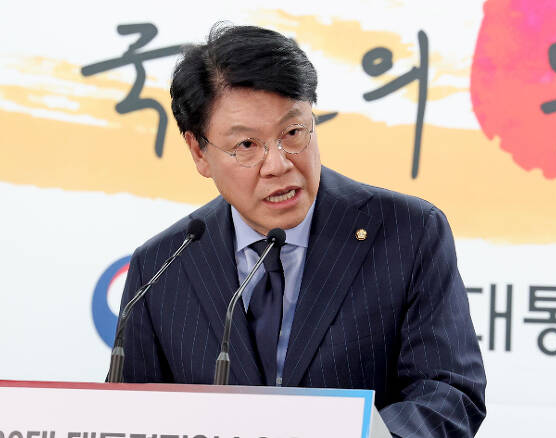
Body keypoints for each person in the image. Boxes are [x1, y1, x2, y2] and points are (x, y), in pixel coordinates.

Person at [118, 24, 486, 437]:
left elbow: (448, 392)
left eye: (293, 133)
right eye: (246, 146)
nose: (278, 164)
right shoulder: (162, 266)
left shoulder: (408, 232)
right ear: (198, 152)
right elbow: (131, 416)